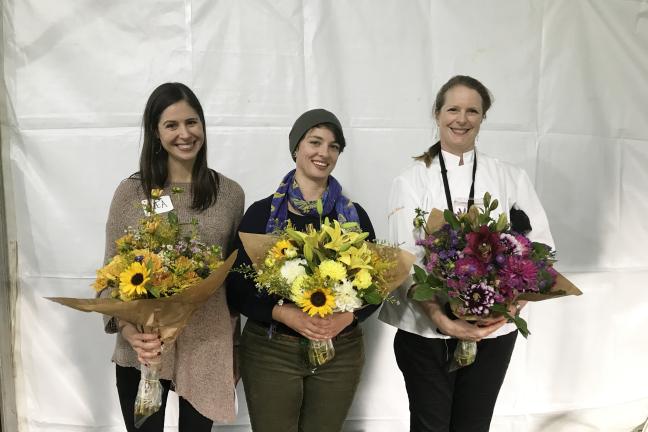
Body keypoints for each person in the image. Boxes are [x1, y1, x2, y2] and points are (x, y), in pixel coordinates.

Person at [378, 75, 555, 432]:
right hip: (426, 334)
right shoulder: (411, 180)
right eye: (453, 109)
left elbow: (540, 253)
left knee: (474, 426)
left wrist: (505, 313)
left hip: (493, 336)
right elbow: (404, 259)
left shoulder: (510, 177)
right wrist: (442, 318)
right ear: (437, 114)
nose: (462, 119)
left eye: (472, 110)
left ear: (483, 118)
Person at [99, 82, 244, 431]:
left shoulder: (230, 195)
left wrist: (233, 349)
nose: (185, 133)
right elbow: (108, 281)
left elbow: (233, 283)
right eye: (172, 125)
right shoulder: (131, 193)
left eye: (192, 122)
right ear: (155, 132)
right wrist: (132, 333)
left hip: (207, 349)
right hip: (144, 351)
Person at [227, 108, 377, 432]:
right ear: (297, 147)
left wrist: (346, 317)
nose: (324, 152)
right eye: (315, 141)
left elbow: (375, 286)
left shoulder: (354, 217)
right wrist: (284, 314)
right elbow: (237, 287)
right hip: (271, 350)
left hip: (340, 350)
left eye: (334, 146)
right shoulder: (260, 215)